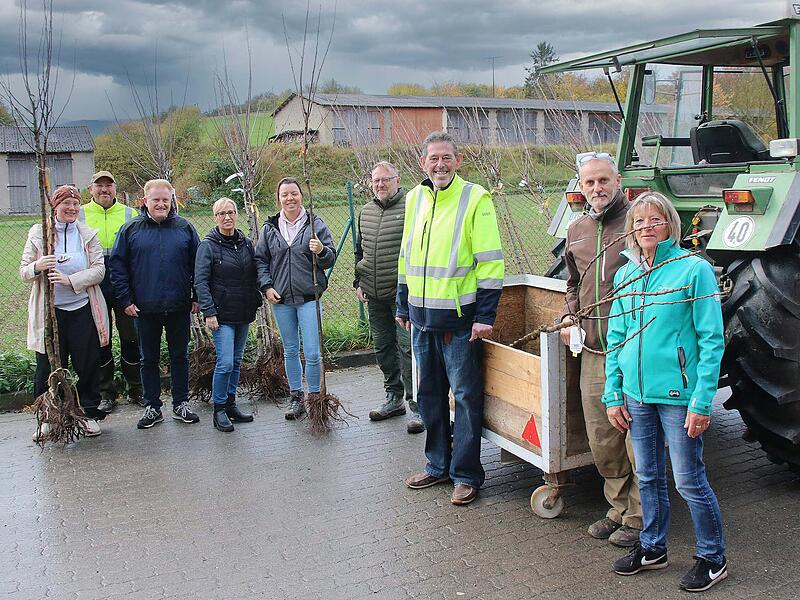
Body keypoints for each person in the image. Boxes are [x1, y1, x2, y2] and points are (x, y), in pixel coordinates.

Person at [603, 191, 728, 592]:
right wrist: (613, 392)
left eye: (654, 220)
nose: (645, 228)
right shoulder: (626, 275)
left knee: (688, 479)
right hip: (637, 394)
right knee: (648, 473)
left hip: (679, 396)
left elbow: (711, 340)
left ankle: (712, 556)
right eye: (638, 223)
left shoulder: (693, 271)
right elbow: (617, 337)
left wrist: (703, 400)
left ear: (670, 224)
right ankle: (653, 547)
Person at [398, 131, 504, 506]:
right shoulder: (414, 198)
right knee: (428, 397)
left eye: (446, 158)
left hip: (460, 323)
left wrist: (485, 315)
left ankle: (466, 475)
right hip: (422, 319)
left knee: (464, 399)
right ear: (422, 162)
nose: (439, 164)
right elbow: (405, 255)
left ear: (458, 162)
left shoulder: (475, 198)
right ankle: (437, 465)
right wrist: (401, 303)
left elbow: (491, 261)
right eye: (433, 158)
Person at [560, 152, 642, 547]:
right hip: (594, 349)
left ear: (618, 180)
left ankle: (641, 516)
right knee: (602, 435)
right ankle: (618, 508)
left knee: (636, 434)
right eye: (589, 182)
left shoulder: (639, 222)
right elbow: (571, 283)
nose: (596, 189)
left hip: (636, 348)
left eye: (603, 181)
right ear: (581, 185)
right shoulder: (576, 229)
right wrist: (571, 317)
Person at [20, 185, 111, 440]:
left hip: (82, 309)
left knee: (87, 363)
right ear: (55, 207)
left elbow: (99, 270)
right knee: (48, 365)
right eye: (66, 204)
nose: (71, 209)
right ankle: (49, 417)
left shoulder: (87, 234)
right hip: (50, 314)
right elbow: (24, 271)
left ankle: (89, 414)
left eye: (75, 204)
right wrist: (38, 266)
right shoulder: (39, 233)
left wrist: (70, 280)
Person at [110, 179, 201, 430]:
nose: (161, 204)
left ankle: (181, 403)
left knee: (179, 356)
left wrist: (197, 297)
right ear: (145, 201)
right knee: (147, 359)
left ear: (172, 201)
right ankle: (152, 406)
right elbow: (117, 267)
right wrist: (125, 300)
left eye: (165, 200)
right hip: (143, 308)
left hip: (179, 305)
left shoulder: (185, 228)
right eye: (156, 200)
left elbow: (199, 265)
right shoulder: (131, 230)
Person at [254, 177, 336, 420]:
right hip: (281, 300)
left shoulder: (314, 224)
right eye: (284, 194)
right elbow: (260, 260)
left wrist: (320, 250)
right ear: (278, 199)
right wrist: (267, 287)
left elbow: (330, 258)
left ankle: (314, 398)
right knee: (290, 350)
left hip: (309, 296)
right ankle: (295, 397)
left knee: (312, 352)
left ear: (301, 196)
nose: (290, 198)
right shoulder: (270, 228)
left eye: (294, 194)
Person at [355, 161, 423, 434]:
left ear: (397, 180)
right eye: (376, 181)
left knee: (408, 350)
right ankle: (393, 398)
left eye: (385, 180)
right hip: (374, 295)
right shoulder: (366, 212)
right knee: (383, 348)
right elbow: (360, 250)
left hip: (402, 296)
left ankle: (417, 405)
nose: (380, 184)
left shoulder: (412, 208)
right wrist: (358, 281)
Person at [79, 170, 143, 413]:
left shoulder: (130, 214)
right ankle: (106, 392)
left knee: (131, 337)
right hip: (94, 284)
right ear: (91, 189)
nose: (104, 190)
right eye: (99, 186)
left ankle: (136, 388)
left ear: (116, 189)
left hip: (124, 282)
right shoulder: (81, 214)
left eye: (109, 185)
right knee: (100, 339)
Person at [194, 197, 259, 432]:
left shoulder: (246, 243)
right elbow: (200, 282)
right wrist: (209, 311)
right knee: (225, 362)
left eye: (231, 212)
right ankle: (219, 409)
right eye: (221, 213)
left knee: (237, 361)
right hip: (220, 315)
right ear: (215, 218)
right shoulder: (208, 246)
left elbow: (253, 273)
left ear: (237, 214)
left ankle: (231, 404)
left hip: (243, 311)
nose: (227, 217)